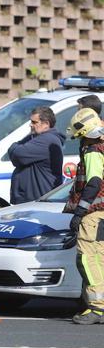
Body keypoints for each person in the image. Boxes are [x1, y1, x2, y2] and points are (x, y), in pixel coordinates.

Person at [64, 108, 104, 325]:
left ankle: (97, 308)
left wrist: (80, 212)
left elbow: (94, 182)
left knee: (87, 258)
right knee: (100, 258)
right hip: (102, 214)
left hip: (93, 214)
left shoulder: (93, 151)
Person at [7, 106, 65, 204]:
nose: (30, 125)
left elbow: (18, 154)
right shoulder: (36, 137)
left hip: (37, 200)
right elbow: (14, 148)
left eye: (34, 122)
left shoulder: (47, 139)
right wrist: (14, 147)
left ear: (46, 124)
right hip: (31, 200)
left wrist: (14, 148)